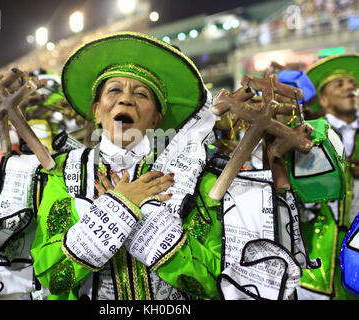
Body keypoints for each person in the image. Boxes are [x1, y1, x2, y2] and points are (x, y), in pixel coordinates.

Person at [24, 32, 321, 300]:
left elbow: (214, 283)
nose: (126, 98)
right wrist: (119, 208)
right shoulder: (64, 174)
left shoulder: (195, 176)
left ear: (156, 119)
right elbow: (52, 276)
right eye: (114, 90)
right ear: (97, 110)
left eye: (141, 94)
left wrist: (146, 229)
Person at [298, 53, 359, 300]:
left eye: (353, 85)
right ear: (323, 99)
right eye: (340, 84)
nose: (350, 89)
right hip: (319, 242)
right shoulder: (308, 133)